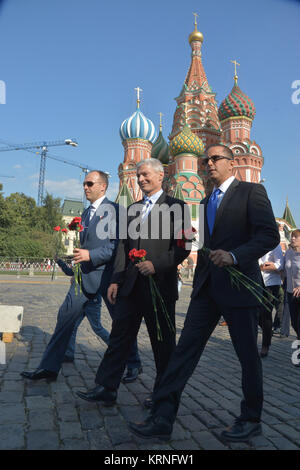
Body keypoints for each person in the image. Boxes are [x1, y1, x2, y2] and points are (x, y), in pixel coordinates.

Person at [128, 143, 280, 443]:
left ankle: (251, 419)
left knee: (247, 357)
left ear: (232, 163)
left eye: (215, 158)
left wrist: (235, 256)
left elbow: (269, 234)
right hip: (207, 289)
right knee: (183, 352)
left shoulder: (251, 192)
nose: (209, 164)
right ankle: (162, 417)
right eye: (205, 159)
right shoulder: (205, 200)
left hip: (239, 288)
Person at [76, 158, 190, 406]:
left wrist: (156, 264)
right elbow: (122, 248)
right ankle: (106, 387)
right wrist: (115, 280)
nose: (140, 179)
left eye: (146, 175)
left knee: (163, 345)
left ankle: (163, 395)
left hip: (159, 286)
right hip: (129, 286)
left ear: (161, 176)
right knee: (119, 339)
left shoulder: (179, 207)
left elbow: (184, 247)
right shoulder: (133, 209)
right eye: (138, 175)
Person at [21, 170, 141, 382]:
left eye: (89, 183)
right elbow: (87, 244)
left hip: (108, 278)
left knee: (120, 323)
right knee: (64, 318)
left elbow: (118, 247)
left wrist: (90, 255)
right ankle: (48, 367)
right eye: (84, 184)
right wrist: (78, 263)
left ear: (103, 186)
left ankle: (133, 364)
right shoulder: (86, 214)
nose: (85, 187)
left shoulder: (116, 211)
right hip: (83, 278)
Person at [55, 257, 141, 381]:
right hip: (87, 292)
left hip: (99, 292)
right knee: (74, 325)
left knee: (105, 327)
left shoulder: (97, 255)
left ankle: (125, 356)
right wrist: (62, 263)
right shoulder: (82, 258)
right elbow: (73, 272)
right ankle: (69, 353)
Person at [258, 244, 284, 357]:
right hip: (257, 281)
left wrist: (261, 267)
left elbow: (279, 265)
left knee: (265, 313)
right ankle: (268, 331)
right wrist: (265, 265)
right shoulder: (255, 241)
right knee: (256, 313)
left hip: (271, 283)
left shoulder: (275, 245)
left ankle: (265, 345)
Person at [284, 229, 300, 353]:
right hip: (290, 292)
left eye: (296, 237)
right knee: (294, 323)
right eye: (292, 236)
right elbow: (284, 268)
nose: (292, 238)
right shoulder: (289, 253)